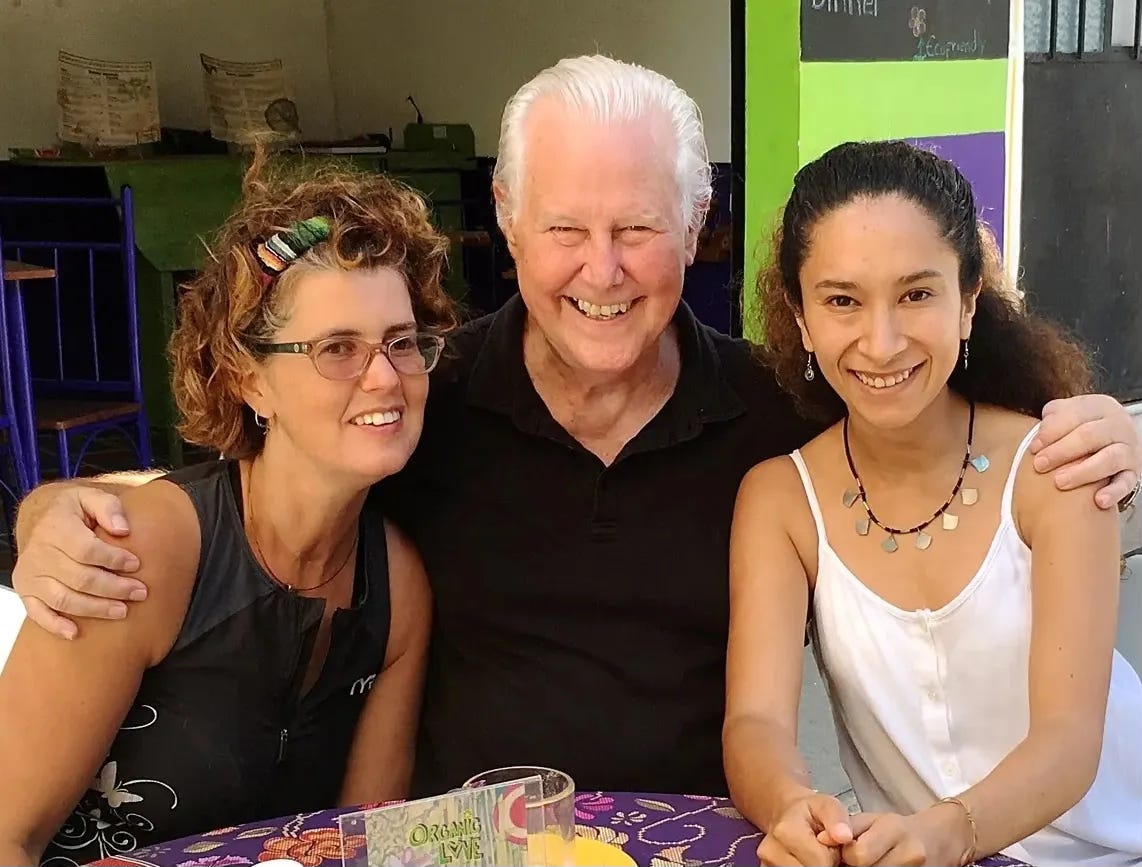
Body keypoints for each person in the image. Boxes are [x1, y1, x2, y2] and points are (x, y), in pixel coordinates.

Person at [9, 57, 1142, 799]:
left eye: (637, 227)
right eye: (564, 229)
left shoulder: (773, 414)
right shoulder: (419, 394)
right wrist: (50, 511)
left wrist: (1101, 433)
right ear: (506, 220)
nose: (601, 272)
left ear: (696, 225)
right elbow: (247, 482)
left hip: (694, 843)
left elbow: (923, 408)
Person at [0, 161, 454, 865]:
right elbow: (8, 832)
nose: (384, 376)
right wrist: (41, 511)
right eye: (337, 348)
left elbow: (367, 846)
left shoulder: (396, 589)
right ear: (251, 381)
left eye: (401, 342)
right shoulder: (141, 553)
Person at [724, 141, 1142, 867]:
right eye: (842, 300)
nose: (881, 342)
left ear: (969, 301)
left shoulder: (1058, 467)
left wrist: (944, 832)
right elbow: (755, 720)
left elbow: (1070, 741)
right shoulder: (780, 499)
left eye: (917, 294)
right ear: (800, 317)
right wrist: (789, 803)